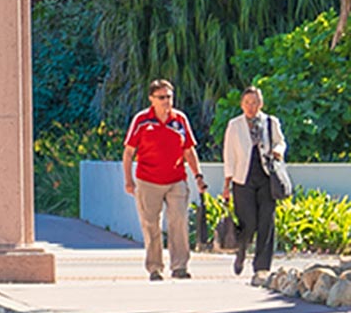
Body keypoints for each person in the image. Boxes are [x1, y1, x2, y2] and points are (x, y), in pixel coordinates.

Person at [123, 78, 209, 280]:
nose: (166, 101)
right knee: (151, 224)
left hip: (176, 179)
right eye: (161, 97)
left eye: (169, 97)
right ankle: (155, 268)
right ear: (151, 99)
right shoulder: (142, 120)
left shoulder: (179, 120)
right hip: (147, 180)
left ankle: (180, 266)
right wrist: (128, 180)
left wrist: (198, 176)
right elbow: (128, 152)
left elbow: (189, 150)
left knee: (178, 220)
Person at [222, 85, 287, 284]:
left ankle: (262, 268)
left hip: (267, 176)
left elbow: (281, 142)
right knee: (248, 223)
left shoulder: (270, 122)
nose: (251, 107)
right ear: (242, 104)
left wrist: (278, 151)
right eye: (247, 103)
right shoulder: (235, 125)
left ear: (261, 103)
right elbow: (229, 155)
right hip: (243, 178)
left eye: (255, 102)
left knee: (266, 222)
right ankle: (241, 250)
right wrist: (227, 184)